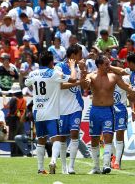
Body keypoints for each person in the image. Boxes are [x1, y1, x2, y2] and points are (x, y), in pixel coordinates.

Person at [24, 51, 73, 174]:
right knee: (55, 138)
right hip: (51, 112)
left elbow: (27, 84)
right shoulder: (54, 73)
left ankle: (40, 169)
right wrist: (72, 67)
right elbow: (72, 79)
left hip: (38, 111)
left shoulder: (33, 73)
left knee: (41, 140)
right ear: (51, 62)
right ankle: (52, 161)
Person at [85, 55, 133, 174]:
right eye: (106, 64)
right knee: (95, 138)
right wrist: (84, 76)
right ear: (99, 65)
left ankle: (106, 165)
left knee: (108, 137)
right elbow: (84, 86)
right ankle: (95, 167)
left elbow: (127, 86)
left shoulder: (114, 77)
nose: (109, 66)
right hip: (95, 111)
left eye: (109, 64)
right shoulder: (91, 76)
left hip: (108, 110)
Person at [54, 44, 85, 174]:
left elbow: (84, 85)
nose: (81, 57)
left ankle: (71, 166)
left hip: (76, 105)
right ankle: (63, 166)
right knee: (62, 137)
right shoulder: (59, 67)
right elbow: (60, 86)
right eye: (79, 54)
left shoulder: (78, 67)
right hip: (61, 107)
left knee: (74, 133)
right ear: (73, 55)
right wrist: (78, 82)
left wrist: (84, 71)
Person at [110, 59, 129, 170]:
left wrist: (134, 108)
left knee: (120, 135)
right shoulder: (107, 78)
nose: (121, 68)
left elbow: (130, 92)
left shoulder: (125, 78)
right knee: (106, 135)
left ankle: (117, 162)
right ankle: (113, 156)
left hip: (121, 109)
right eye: (119, 66)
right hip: (108, 108)